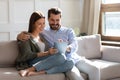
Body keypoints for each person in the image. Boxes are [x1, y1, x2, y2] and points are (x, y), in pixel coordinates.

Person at [17, 7, 85, 80]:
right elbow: (27, 54)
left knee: (70, 63)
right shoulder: (27, 36)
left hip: (46, 60)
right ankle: (28, 69)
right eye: (39, 24)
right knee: (61, 57)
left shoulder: (42, 34)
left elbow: (74, 44)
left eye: (43, 23)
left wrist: (63, 47)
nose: (42, 26)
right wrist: (19, 36)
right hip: (34, 60)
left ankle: (39, 72)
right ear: (33, 24)